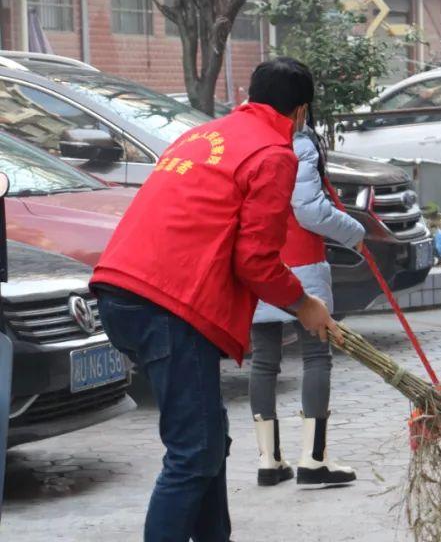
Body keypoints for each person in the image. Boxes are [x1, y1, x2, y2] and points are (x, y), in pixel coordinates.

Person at [90, 58, 341, 542]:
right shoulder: (273, 153)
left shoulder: (206, 135)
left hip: (120, 289)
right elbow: (256, 261)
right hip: (167, 304)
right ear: (300, 112)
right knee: (192, 453)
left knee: (208, 442)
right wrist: (304, 303)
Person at [248, 105, 366, 488]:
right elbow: (309, 210)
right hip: (300, 260)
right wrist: (354, 232)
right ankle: (313, 460)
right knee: (317, 355)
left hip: (257, 261)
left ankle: (269, 461)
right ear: (298, 106)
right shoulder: (299, 143)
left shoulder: (248, 142)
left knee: (264, 360)